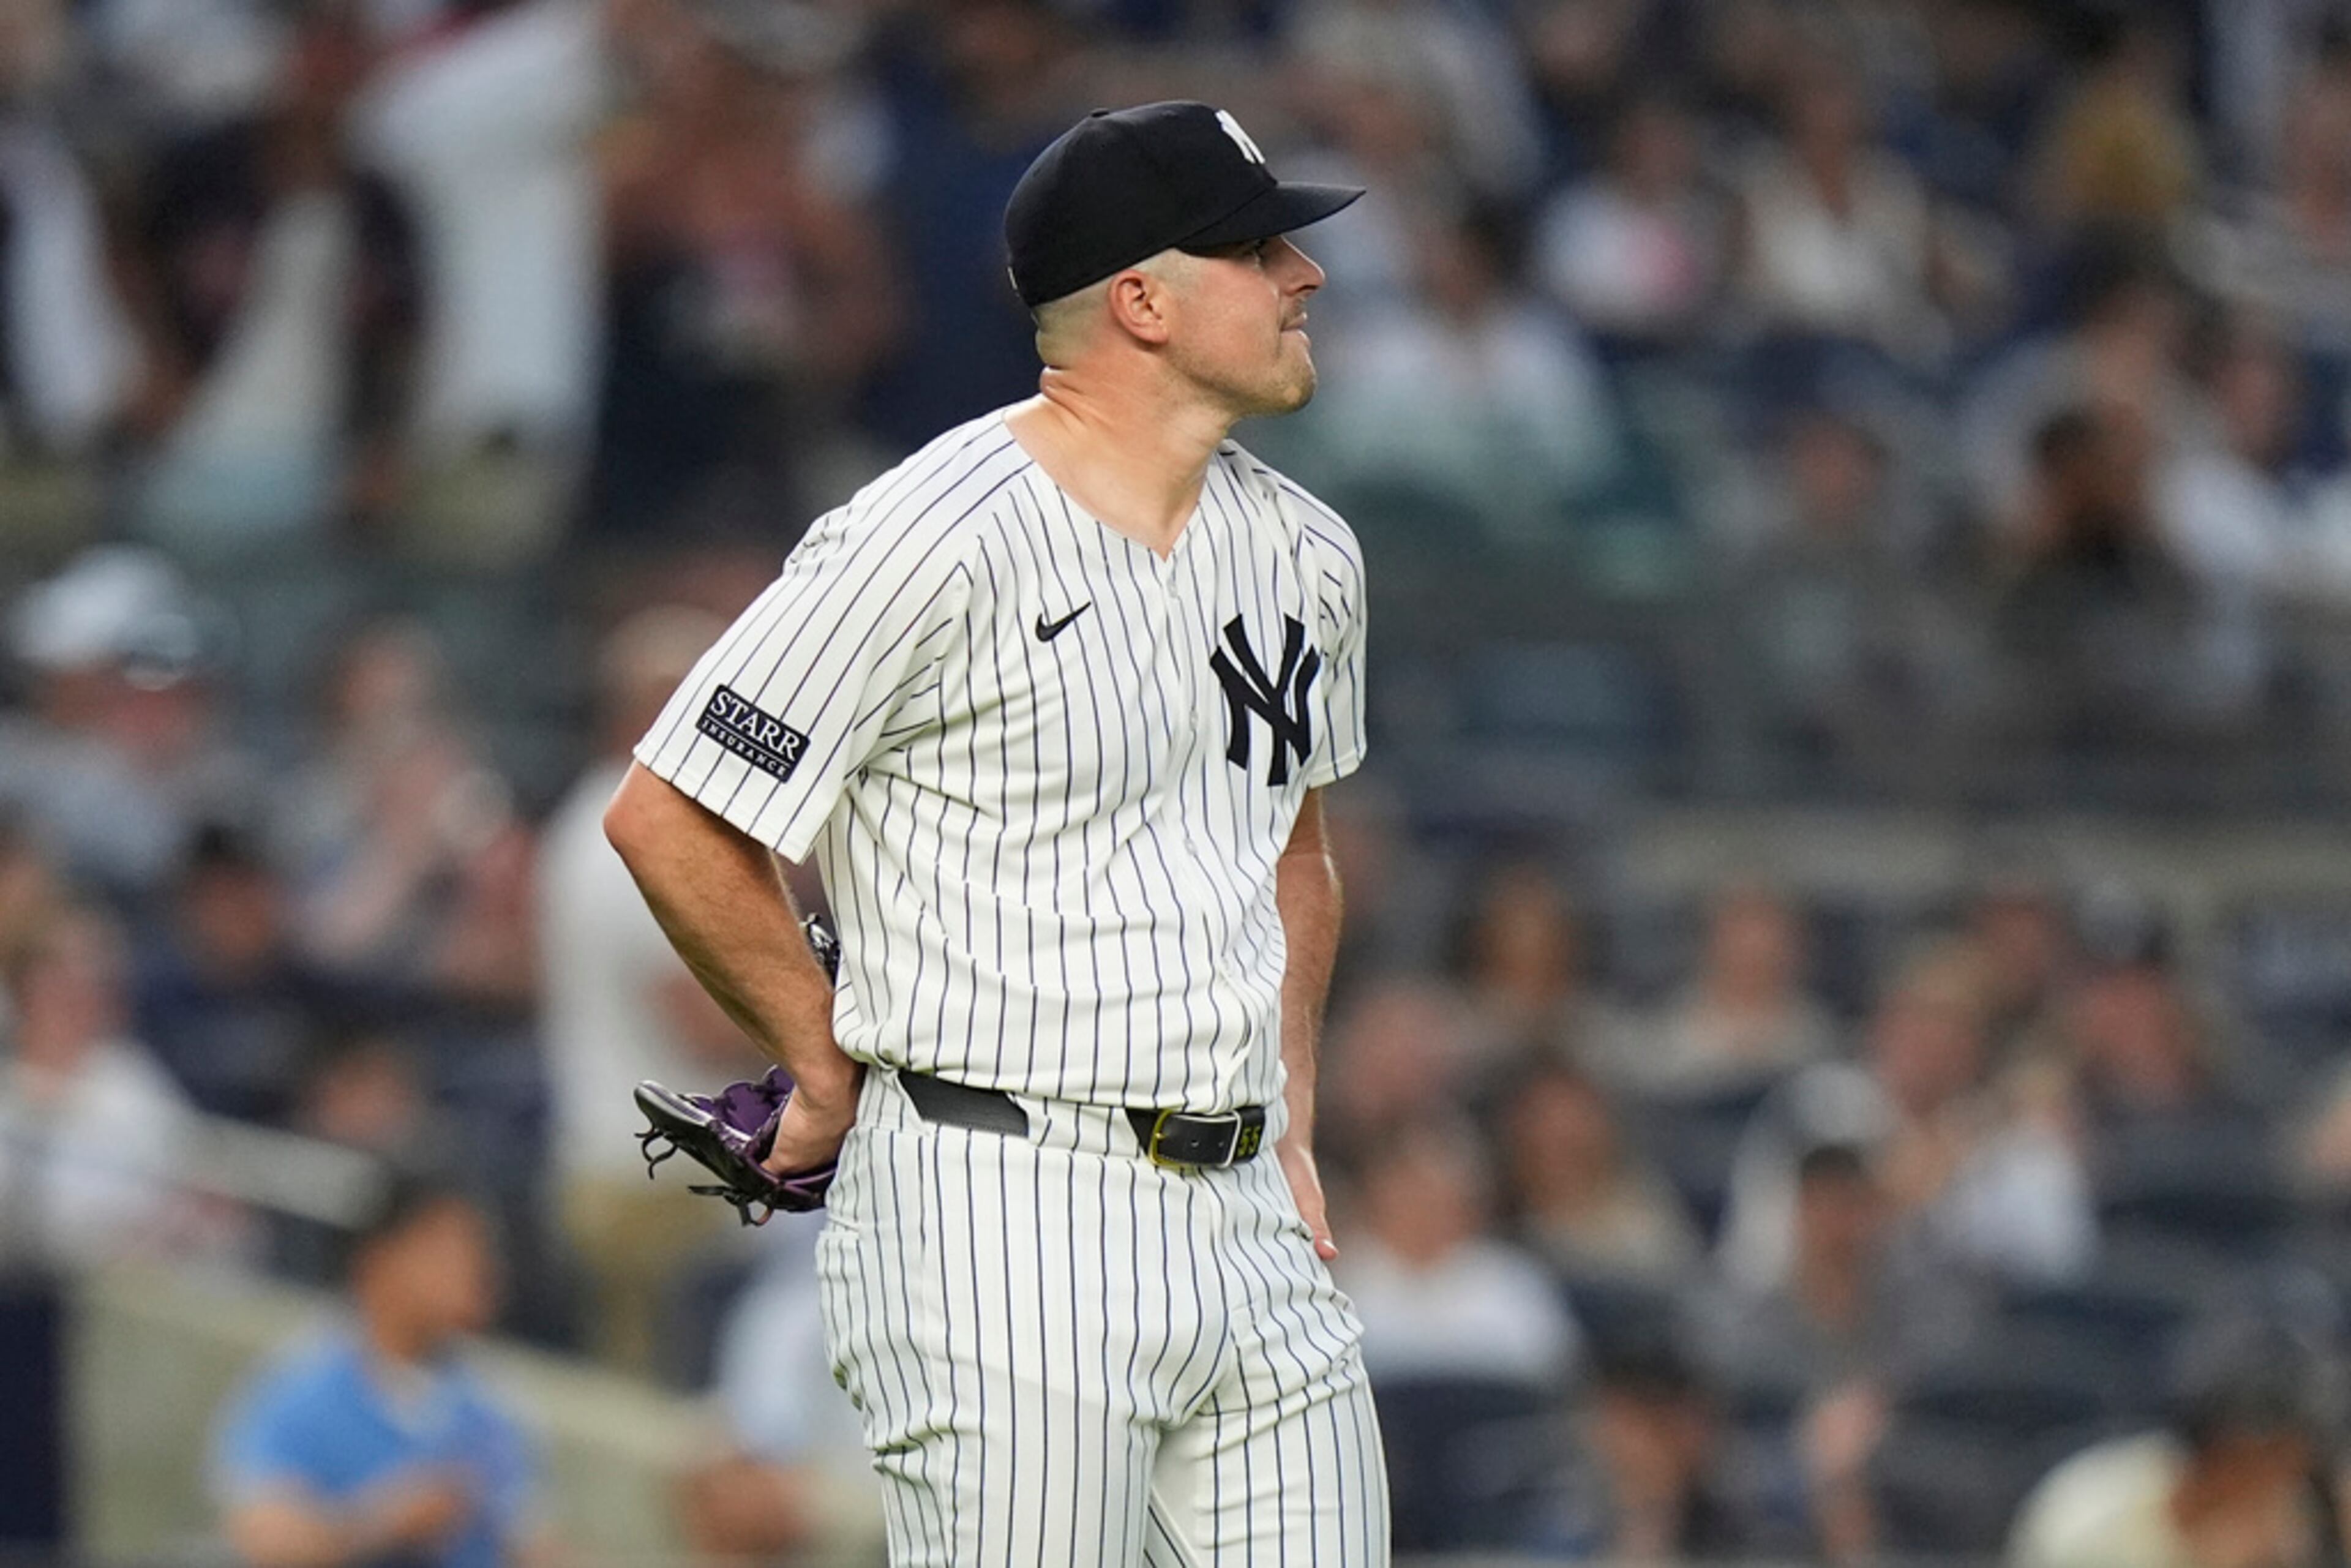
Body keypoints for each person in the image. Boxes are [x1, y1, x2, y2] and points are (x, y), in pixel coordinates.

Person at [604, 100, 1387, 1564]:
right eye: (1258, 244)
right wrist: (822, 1054)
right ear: (1141, 299)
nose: (1305, 273)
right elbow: (668, 812)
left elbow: (1296, 848)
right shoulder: (928, 530)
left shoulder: (1306, 550)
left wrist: (1293, 1112)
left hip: (1251, 1219)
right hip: (1000, 1197)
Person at [210, 1172, 547, 1568]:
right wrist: (383, 1522)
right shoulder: (299, 1384)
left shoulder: (493, 1403)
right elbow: (262, 1538)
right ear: (379, 1256)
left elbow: (531, 1541)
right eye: (445, 1248)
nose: (473, 1268)